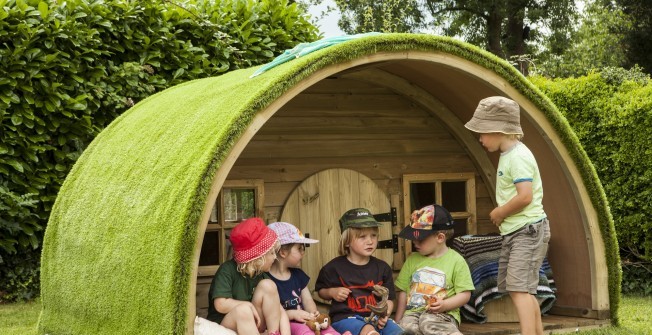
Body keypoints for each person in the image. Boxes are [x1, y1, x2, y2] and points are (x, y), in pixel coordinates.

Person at [464, 96, 551, 335]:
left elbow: (525, 196)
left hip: (527, 231)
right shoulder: (509, 154)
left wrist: (499, 212)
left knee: (519, 290)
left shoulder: (519, 157)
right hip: (517, 231)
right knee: (522, 289)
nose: (480, 138)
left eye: (482, 132)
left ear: (498, 129)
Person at [315, 208, 403, 335]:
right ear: (347, 241)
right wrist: (332, 292)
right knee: (368, 330)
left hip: (376, 318)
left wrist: (385, 313)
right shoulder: (333, 268)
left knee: (395, 330)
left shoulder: (383, 268)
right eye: (362, 237)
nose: (370, 241)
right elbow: (321, 291)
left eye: (373, 235)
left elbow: (389, 300)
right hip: (346, 318)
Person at [393, 204, 475, 335]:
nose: (415, 242)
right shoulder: (412, 259)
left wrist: (445, 305)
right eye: (414, 238)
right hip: (412, 313)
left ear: (440, 237)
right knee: (406, 328)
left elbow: (465, 294)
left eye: (420, 239)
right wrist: (398, 320)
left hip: (443, 314)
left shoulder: (456, 261)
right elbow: (402, 291)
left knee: (428, 323)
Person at [206, 217, 291, 335]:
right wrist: (248, 305)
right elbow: (220, 304)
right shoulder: (227, 270)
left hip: (253, 324)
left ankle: (273, 333)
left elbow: (279, 312)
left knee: (269, 286)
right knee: (243, 311)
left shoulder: (261, 275)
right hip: (225, 325)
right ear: (258, 257)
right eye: (271, 253)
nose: (275, 257)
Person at [267, 221, 342, 335]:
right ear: (283, 252)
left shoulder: (298, 275)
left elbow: (307, 300)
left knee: (326, 328)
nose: (303, 253)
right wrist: (292, 314)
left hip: (306, 320)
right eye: (299, 249)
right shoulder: (266, 280)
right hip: (287, 323)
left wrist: (313, 312)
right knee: (305, 331)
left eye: (303, 249)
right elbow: (270, 314)